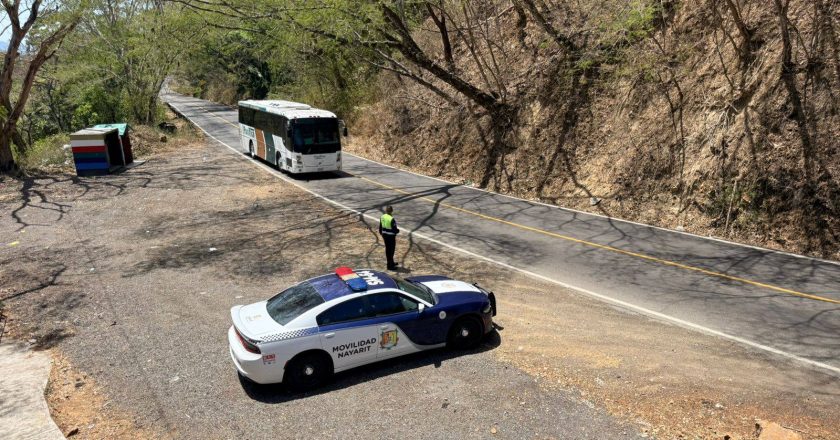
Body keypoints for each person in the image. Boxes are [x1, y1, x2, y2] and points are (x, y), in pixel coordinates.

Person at [379, 205, 400, 270]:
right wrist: (398, 231)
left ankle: (391, 262)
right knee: (391, 250)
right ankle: (389, 265)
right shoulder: (391, 219)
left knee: (388, 250)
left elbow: (380, 226)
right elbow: (394, 229)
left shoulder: (382, 216)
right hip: (390, 236)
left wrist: (381, 233)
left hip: (384, 235)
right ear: (391, 211)